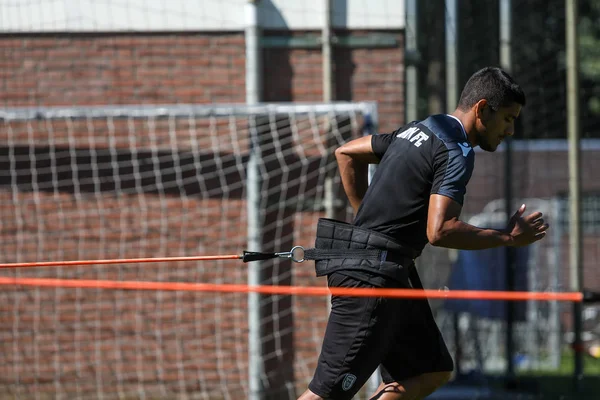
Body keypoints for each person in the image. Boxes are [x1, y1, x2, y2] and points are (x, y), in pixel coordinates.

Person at [298, 67, 549, 400]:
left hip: (387, 269)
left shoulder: (420, 129)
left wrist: (368, 219)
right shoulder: (457, 151)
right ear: (482, 108)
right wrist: (507, 238)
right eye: (507, 119)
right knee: (325, 395)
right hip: (371, 277)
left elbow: (346, 153)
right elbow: (440, 230)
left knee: (429, 371)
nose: (511, 130)